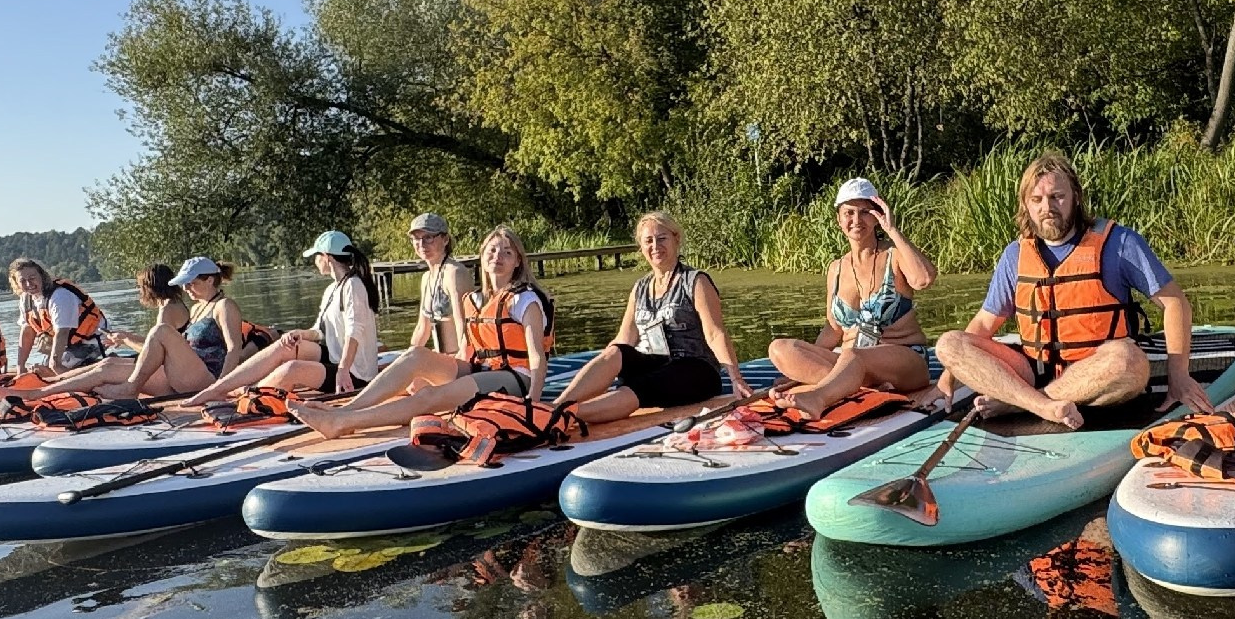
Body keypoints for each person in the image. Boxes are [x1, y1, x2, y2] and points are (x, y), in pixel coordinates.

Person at [933, 153, 1213, 429]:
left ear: (1076, 197)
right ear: (1026, 206)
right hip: (1033, 370)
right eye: (1037, 200)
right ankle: (1041, 404)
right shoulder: (1015, 255)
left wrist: (1179, 376)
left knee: (1130, 360)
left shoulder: (1119, 243)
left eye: (1057, 197)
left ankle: (1025, 402)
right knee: (949, 344)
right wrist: (949, 376)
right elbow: (984, 323)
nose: (1048, 207)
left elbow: (1175, 303)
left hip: (1098, 371)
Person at [293, 226, 553, 437]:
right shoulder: (474, 299)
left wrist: (533, 403)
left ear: (518, 261)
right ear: (482, 256)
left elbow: (537, 359)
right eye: (493, 250)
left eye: (507, 253)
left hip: (516, 378)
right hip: (482, 369)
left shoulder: (525, 300)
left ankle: (344, 422)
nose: (498, 256)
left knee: (429, 396)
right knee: (415, 355)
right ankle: (346, 410)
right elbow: (467, 353)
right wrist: (435, 373)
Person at [547, 211, 754, 423]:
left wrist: (735, 377)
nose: (655, 246)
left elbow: (715, 333)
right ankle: (555, 407)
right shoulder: (640, 288)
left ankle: (565, 416)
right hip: (655, 363)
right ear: (641, 248)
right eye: (648, 241)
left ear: (676, 239)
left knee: (642, 386)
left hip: (694, 370)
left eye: (662, 238)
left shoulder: (695, 281)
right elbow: (623, 340)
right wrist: (602, 376)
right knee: (616, 352)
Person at [764, 180, 939, 418]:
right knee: (780, 349)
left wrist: (893, 231)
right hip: (852, 362)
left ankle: (819, 396)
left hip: (904, 358)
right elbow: (833, 329)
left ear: (877, 216)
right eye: (849, 213)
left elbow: (923, 279)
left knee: (852, 356)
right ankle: (857, 389)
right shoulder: (835, 268)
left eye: (865, 212)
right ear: (839, 220)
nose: (857, 220)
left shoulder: (894, 255)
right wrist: (801, 365)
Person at [172, 231, 381, 410]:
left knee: (292, 368)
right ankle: (218, 389)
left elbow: (355, 330)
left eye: (315, 257)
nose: (314, 262)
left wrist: (343, 370)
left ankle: (245, 395)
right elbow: (320, 332)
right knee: (283, 346)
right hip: (337, 358)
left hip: (354, 374)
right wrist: (299, 334)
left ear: (326, 257)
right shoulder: (332, 289)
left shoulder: (353, 285)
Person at [5, 265, 214, 403]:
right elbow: (158, 348)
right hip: (177, 369)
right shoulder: (180, 307)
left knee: (106, 369)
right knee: (107, 364)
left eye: (139, 286)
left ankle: (40, 390)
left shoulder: (169, 309)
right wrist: (125, 338)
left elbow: (160, 352)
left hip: (176, 376)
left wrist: (126, 339)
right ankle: (48, 385)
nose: (137, 289)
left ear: (151, 287)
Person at [167, 257, 271, 383]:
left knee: (160, 331)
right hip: (189, 372)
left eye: (190, 283)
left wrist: (220, 385)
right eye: (183, 284)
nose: (185, 288)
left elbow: (234, 349)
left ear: (209, 280)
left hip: (211, 376)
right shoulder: (196, 309)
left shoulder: (224, 306)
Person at [7, 258, 107, 375]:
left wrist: (55, 364)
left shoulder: (60, 296)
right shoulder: (26, 299)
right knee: (43, 369)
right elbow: (27, 331)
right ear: (16, 284)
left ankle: (97, 372)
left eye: (32, 278)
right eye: (22, 281)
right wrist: (21, 366)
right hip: (69, 344)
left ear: (42, 276)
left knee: (52, 369)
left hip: (92, 341)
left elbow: (62, 332)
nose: (29, 284)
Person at [404, 213, 474, 356]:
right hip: (442, 357)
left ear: (445, 239)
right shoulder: (426, 278)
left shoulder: (455, 273)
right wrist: (406, 357)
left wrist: (463, 363)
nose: (422, 244)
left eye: (428, 237)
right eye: (416, 238)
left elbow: (465, 325)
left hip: (459, 358)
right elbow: (422, 329)